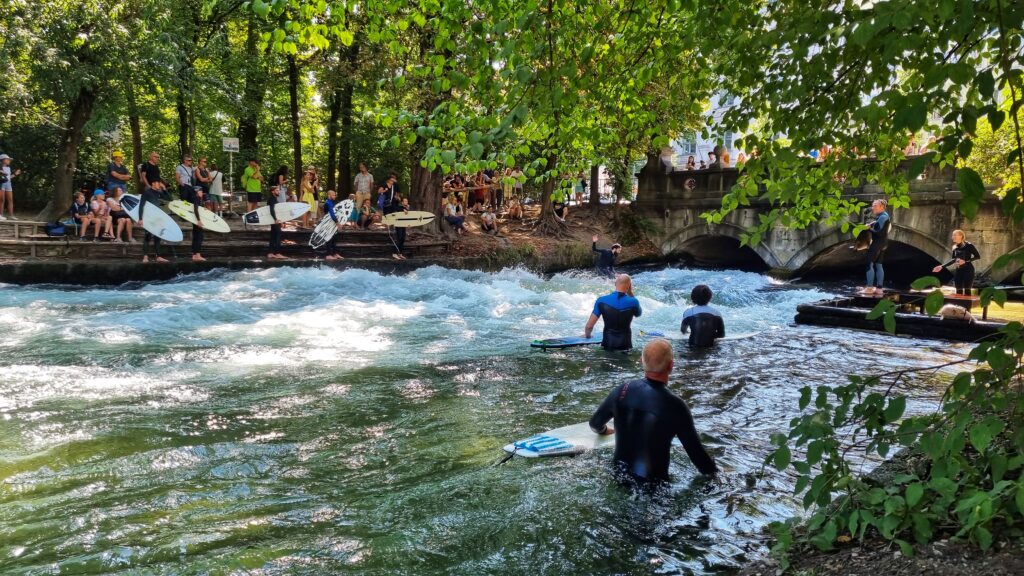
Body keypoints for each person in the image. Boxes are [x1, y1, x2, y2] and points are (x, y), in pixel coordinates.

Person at [588, 338, 719, 483]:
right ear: (671, 366)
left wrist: (604, 430)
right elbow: (699, 460)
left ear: (641, 361)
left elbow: (594, 424)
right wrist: (718, 476)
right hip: (654, 489)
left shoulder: (621, 390)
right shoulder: (676, 406)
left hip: (618, 477)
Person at [584, 274, 642, 351]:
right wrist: (630, 293)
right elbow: (638, 314)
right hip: (626, 345)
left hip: (608, 344)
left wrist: (588, 336)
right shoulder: (634, 302)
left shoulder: (601, 301)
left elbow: (589, 326)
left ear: (615, 283)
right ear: (629, 286)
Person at [932, 229, 981, 295]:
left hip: (968, 270)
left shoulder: (969, 245)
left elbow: (977, 256)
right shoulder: (954, 247)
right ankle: (958, 305)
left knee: (967, 290)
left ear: (961, 236)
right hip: (959, 270)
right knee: (958, 290)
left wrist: (965, 262)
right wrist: (941, 266)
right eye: (952, 235)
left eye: (955, 235)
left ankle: (966, 305)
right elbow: (953, 260)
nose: (952, 237)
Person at [864, 199, 890, 294]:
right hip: (884, 243)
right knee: (879, 265)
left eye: (875, 205)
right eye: (872, 205)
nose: (873, 207)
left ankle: (869, 288)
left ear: (882, 207)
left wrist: (869, 228)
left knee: (869, 263)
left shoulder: (882, 217)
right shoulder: (884, 216)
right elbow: (878, 224)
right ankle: (879, 289)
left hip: (877, 243)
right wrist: (872, 224)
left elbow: (878, 231)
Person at [138, 182, 169, 263]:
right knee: (147, 236)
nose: (159, 184)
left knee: (157, 237)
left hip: (157, 218)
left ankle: (158, 256)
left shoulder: (159, 193)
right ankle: (145, 256)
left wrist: (164, 189)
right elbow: (141, 205)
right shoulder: (147, 193)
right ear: (153, 184)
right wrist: (140, 218)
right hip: (148, 217)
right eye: (158, 183)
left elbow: (169, 198)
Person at [322, 190, 345, 260]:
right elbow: (331, 214)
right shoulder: (328, 203)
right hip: (329, 223)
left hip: (332, 223)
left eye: (335, 195)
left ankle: (335, 254)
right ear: (329, 195)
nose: (335, 196)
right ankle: (328, 255)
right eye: (333, 195)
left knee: (334, 239)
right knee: (329, 239)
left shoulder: (332, 202)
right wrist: (338, 223)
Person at [266, 184, 287, 260]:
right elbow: (272, 210)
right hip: (274, 220)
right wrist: (276, 219)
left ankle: (270, 253)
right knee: (278, 236)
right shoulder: (272, 199)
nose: (279, 192)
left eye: (278, 190)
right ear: (272, 192)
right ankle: (277, 253)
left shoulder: (273, 198)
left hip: (273, 220)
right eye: (277, 190)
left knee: (273, 236)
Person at [0, 153, 22, 220]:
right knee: (1, 200)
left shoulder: (8, 168)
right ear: (2, 160)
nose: (9, 161)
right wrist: (1, 171)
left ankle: (11, 215)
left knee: (10, 200)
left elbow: (8, 177)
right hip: (1, 183)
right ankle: (0, 215)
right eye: (8, 159)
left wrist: (15, 174)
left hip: (8, 184)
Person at [189, 187, 206, 262]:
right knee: (199, 237)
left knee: (196, 237)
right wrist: (198, 220)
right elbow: (195, 209)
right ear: (197, 192)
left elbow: (199, 209)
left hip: (194, 220)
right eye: (201, 191)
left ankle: (194, 255)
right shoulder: (196, 198)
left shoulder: (195, 198)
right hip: (196, 221)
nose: (202, 192)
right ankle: (198, 255)